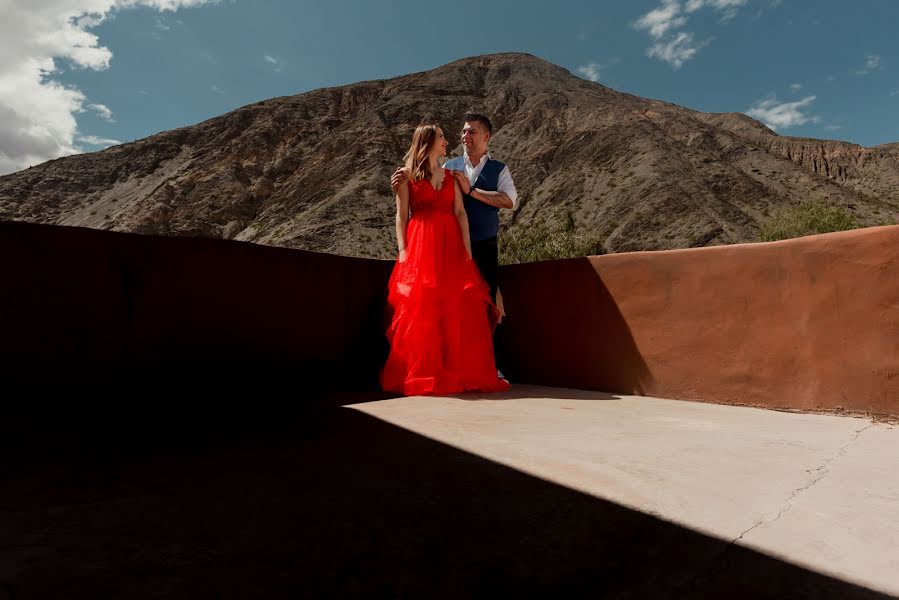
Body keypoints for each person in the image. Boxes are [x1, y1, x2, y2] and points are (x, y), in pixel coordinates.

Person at [380, 124, 509, 396]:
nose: (446, 141)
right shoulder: (405, 177)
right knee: (422, 309)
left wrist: (466, 252)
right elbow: (401, 216)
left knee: (455, 307)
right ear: (427, 142)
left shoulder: (452, 176)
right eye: (441, 137)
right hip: (420, 245)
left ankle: (458, 370)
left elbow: (460, 214)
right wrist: (403, 252)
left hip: (450, 245)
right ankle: (425, 372)